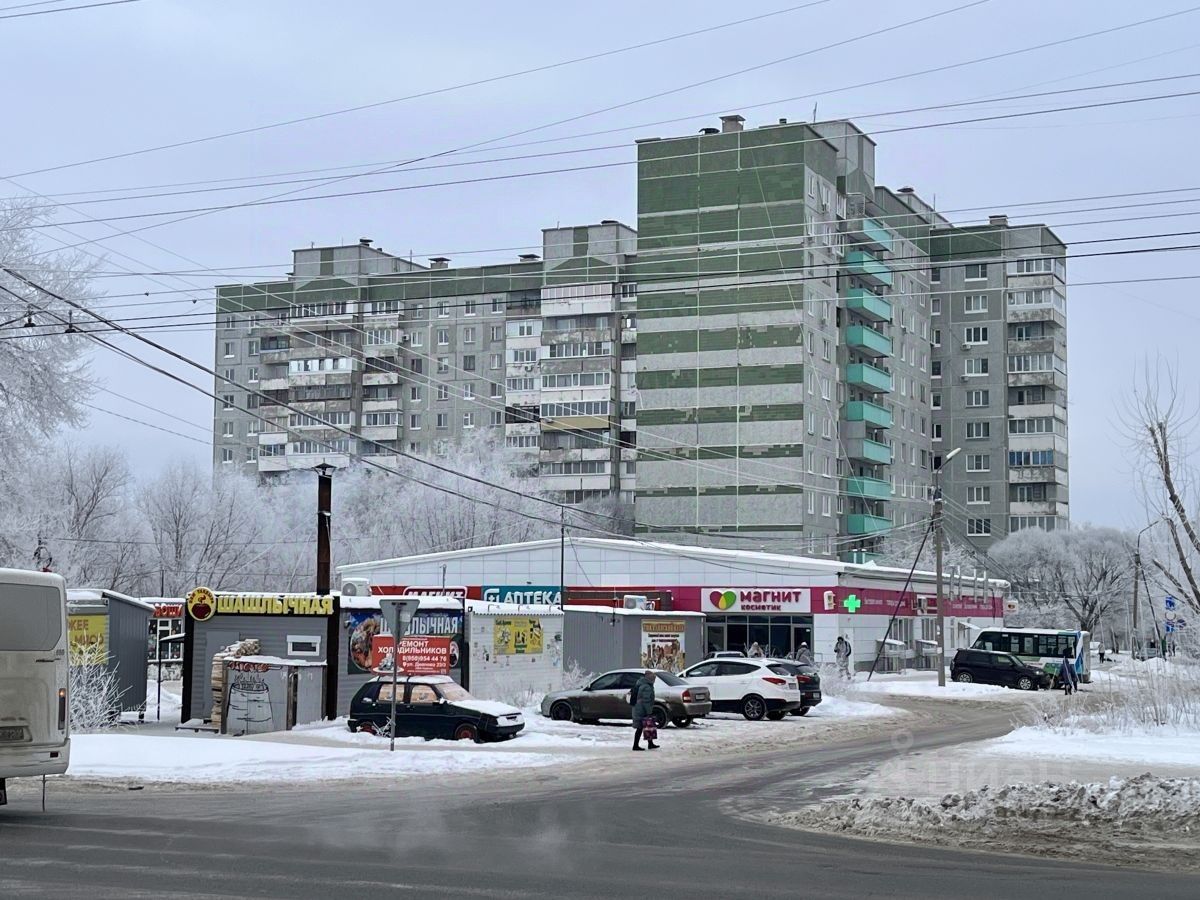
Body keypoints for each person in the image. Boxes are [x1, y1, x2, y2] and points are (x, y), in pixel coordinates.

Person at [631, 670, 659, 751]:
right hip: (641, 710)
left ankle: (650, 744)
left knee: (647, 726)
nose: (654, 681)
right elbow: (646, 701)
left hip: (638, 708)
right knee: (640, 727)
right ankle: (635, 745)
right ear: (650, 679)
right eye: (653, 679)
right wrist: (649, 712)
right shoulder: (646, 687)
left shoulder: (641, 683)